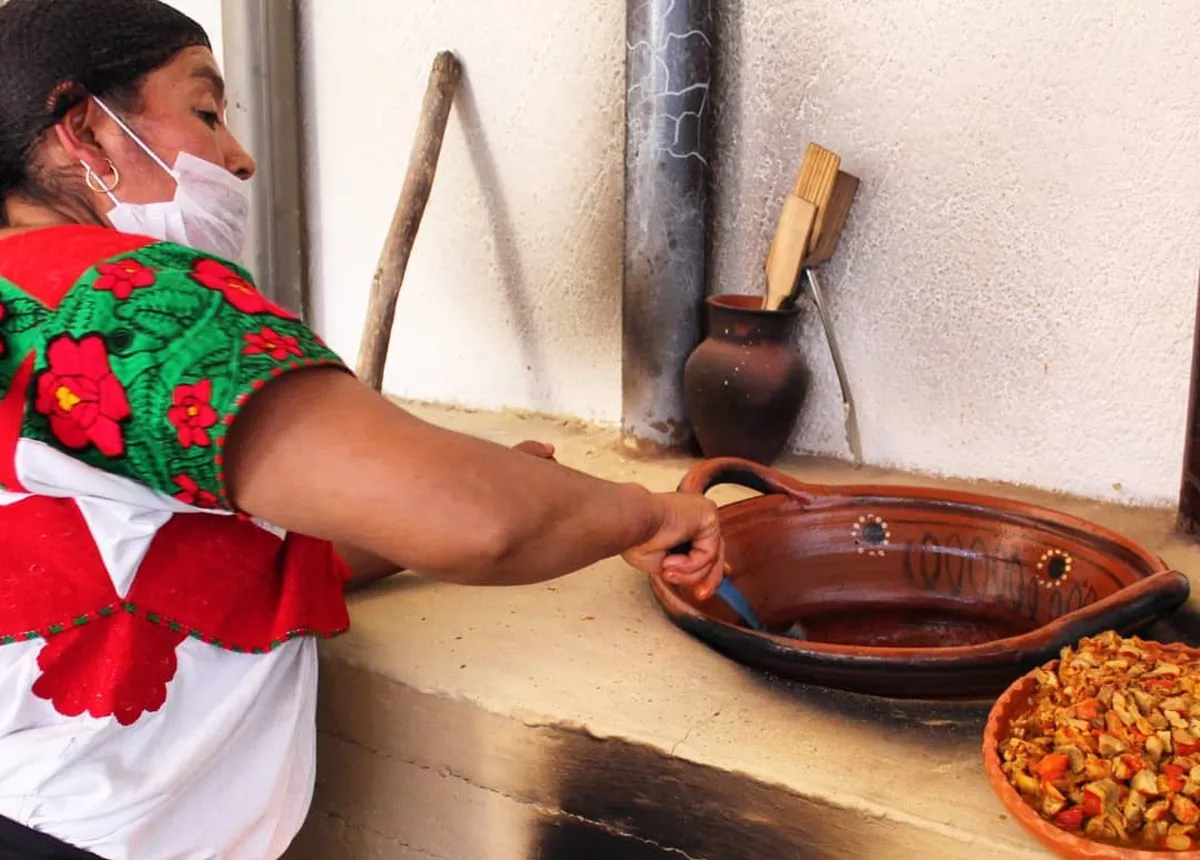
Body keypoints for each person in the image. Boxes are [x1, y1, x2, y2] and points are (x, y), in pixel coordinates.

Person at [0, 1, 727, 858]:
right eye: (205, 111)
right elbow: (479, 524)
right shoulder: (117, 300)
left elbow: (196, 553)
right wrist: (644, 513)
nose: (239, 155)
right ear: (87, 130)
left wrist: (485, 500)